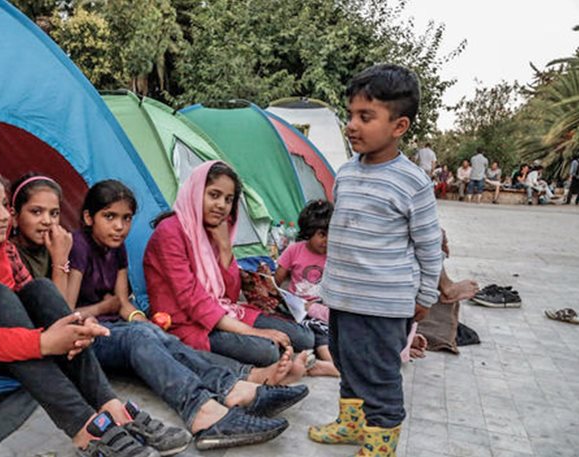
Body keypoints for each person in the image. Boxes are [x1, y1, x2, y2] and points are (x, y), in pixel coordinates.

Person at [9, 175, 302, 451]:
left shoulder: (83, 245)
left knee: (150, 332)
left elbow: (121, 302)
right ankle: (203, 411)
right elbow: (64, 315)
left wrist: (140, 318)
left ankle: (234, 386)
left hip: (103, 327)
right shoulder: (67, 248)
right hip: (78, 337)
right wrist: (88, 291)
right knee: (138, 337)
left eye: (54, 213)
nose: (47, 221)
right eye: (36, 212)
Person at [0, 161, 169, 457]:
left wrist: (75, 328)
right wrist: (43, 342)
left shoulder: (1, 251)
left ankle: (109, 404)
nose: (3, 216)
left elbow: (41, 303)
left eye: (4, 205)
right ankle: (84, 429)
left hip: (25, 343)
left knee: (40, 289)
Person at [307, 64, 442, 457]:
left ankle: (381, 443)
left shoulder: (412, 182)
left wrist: (426, 295)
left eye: (365, 117)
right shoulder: (346, 173)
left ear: (399, 126)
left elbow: (429, 245)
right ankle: (351, 424)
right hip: (344, 297)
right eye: (350, 114)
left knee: (379, 375)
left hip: (383, 305)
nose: (352, 125)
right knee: (347, 362)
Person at [144, 161, 318, 368]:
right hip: (185, 322)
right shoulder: (169, 232)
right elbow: (192, 300)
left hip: (222, 310)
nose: (221, 205)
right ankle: (290, 362)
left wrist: (225, 247)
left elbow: (230, 295)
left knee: (305, 337)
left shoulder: (215, 230)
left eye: (228, 199)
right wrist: (254, 332)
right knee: (266, 350)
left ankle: (290, 360)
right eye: (214, 195)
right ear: (195, 192)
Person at [272, 200, 340, 377]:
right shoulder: (294, 250)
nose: (326, 240)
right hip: (298, 308)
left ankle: (332, 364)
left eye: (331, 234)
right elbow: (276, 281)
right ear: (309, 232)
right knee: (312, 329)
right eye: (322, 234)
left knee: (324, 329)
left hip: (323, 308)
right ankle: (332, 364)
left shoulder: (335, 255)